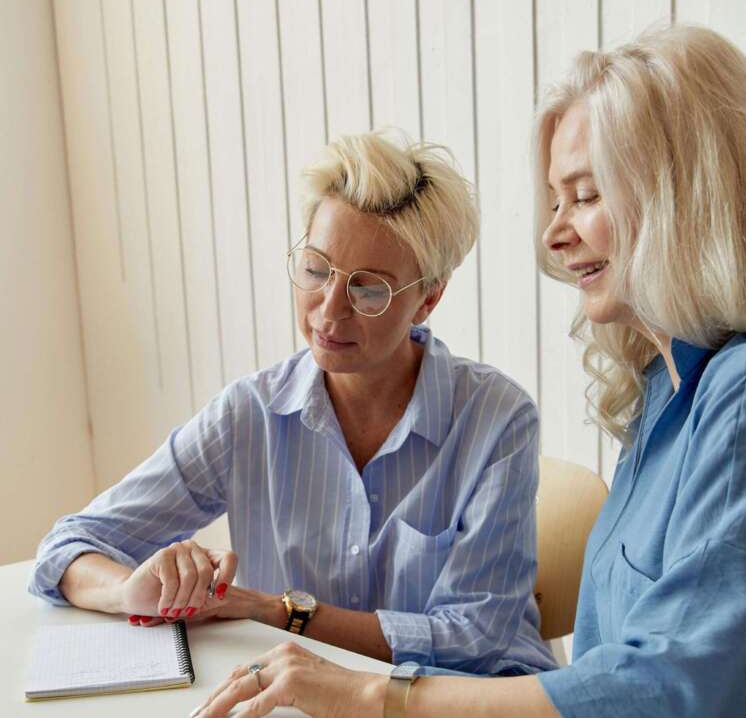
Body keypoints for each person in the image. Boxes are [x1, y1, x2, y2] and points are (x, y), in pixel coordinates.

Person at [188, 26, 746, 718]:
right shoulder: (663, 391)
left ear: (685, 198)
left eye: (586, 196)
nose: (554, 236)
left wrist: (368, 696)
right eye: (555, 199)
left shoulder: (738, 396)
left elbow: (665, 697)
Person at [31, 131, 555, 677]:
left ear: (428, 298)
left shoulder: (497, 419)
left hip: (465, 705)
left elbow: (472, 638)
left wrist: (278, 612)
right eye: (316, 270)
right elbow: (68, 546)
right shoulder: (250, 413)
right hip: (305, 711)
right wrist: (131, 591)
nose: (329, 311)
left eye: (368, 289)